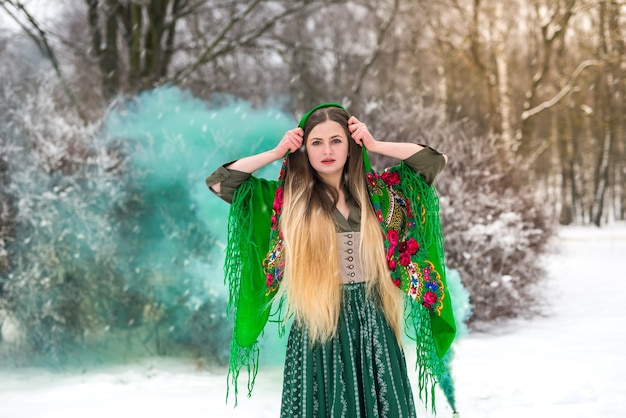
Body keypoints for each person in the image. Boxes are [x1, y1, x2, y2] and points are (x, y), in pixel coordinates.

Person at [206, 103, 457, 417]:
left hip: (374, 319)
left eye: (336, 140)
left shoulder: (381, 193)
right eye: (316, 142)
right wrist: (276, 152)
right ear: (304, 149)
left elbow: (433, 161)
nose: (327, 150)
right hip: (317, 322)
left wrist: (376, 145)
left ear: (351, 146)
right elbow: (220, 182)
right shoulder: (289, 200)